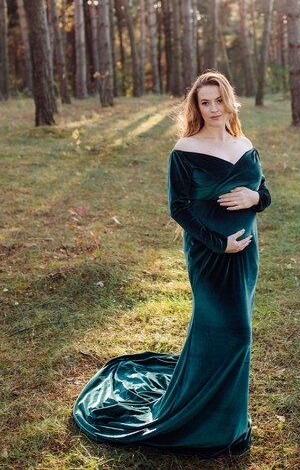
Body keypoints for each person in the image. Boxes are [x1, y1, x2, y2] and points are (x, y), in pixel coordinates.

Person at [73, 70, 271, 458]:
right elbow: (178, 208)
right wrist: (219, 243)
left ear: (230, 100)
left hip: (246, 253)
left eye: (218, 100)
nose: (213, 108)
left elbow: (262, 191)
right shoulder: (185, 149)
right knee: (235, 333)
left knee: (229, 333)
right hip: (209, 253)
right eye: (205, 102)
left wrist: (255, 200)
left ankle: (227, 420)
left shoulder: (244, 142)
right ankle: (203, 423)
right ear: (196, 107)